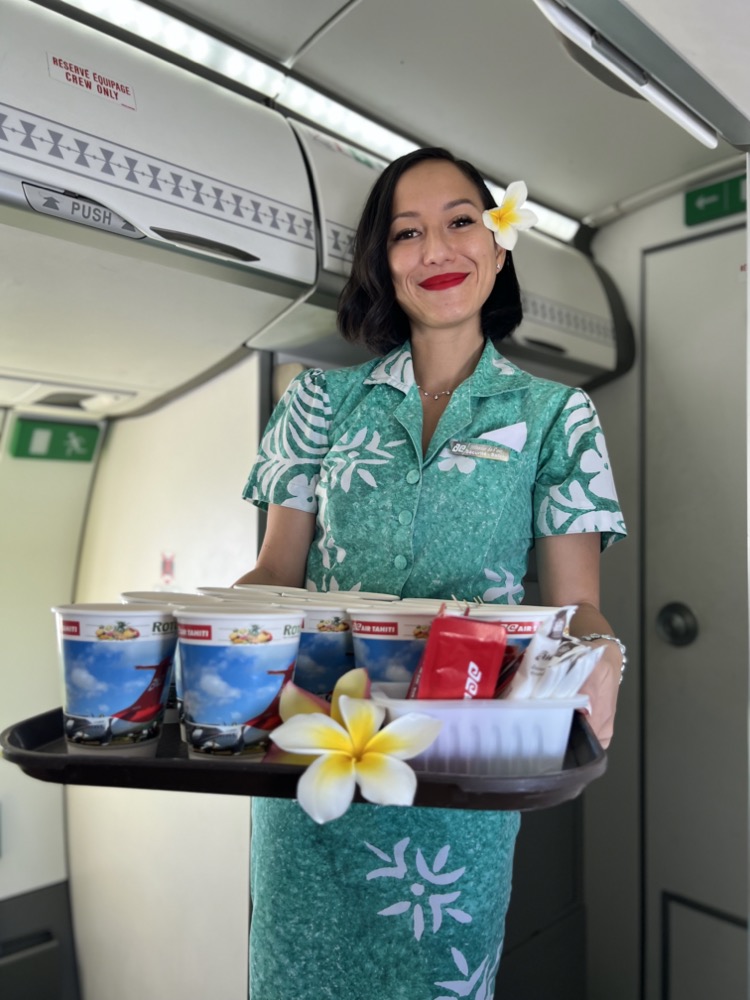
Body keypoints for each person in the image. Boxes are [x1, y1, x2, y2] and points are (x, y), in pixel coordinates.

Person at [237, 147, 626, 999]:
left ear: (498, 242)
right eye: (407, 233)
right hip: (317, 757)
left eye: (460, 222)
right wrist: (203, 644)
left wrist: (606, 657)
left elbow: (578, 607)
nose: (436, 251)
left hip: (460, 766)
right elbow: (276, 571)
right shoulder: (314, 402)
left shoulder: (557, 416)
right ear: (383, 261)